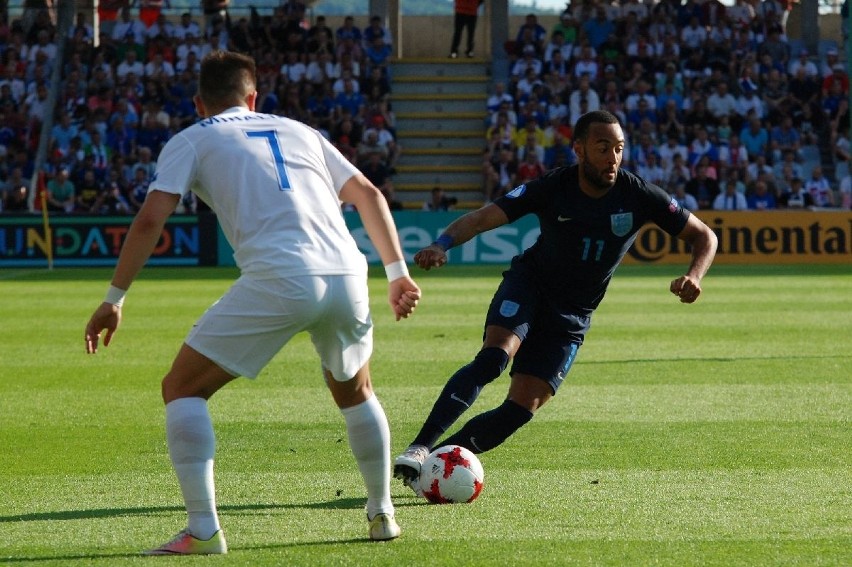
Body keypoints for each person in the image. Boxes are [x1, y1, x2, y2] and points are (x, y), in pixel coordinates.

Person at [84, 51, 421, 555]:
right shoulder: (301, 131)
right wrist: (398, 273)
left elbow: (151, 221)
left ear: (200, 102)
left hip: (281, 276)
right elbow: (369, 193)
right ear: (253, 97)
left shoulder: (193, 137)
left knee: (182, 388)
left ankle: (203, 531)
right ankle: (382, 513)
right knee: (355, 392)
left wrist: (115, 297)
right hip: (348, 271)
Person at [392, 110, 717, 492]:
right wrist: (440, 243)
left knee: (521, 408)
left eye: (619, 149)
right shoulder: (553, 187)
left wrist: (695, 276)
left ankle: (433, 465)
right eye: (603, 148)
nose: (613, 157)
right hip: (531, 286)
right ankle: (420, 448)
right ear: (579, 149)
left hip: (573, 314)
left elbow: (704, 236)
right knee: (495, 358)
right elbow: (482, 219)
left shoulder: (640, 195)